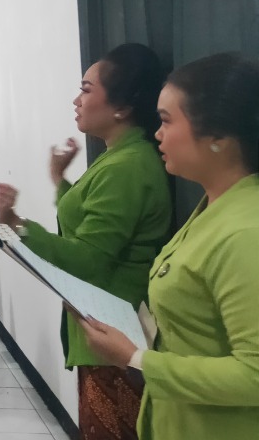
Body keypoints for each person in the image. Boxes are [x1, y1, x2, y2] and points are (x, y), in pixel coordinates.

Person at [74, 53, 259, 439]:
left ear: (218, 137)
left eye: (167, 121)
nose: (157, 134)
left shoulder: (246, 232)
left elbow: (254, 374)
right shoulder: (214, 207)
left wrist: (135, 359)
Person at [0, 43, 171, 439]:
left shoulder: (127, 166)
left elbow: (88, 258)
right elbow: (89, 225)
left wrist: (18, 224)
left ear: (121, 107)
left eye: (86, 90)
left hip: (115, 332)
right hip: (103, 328)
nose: (77, 100)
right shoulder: (118, 157)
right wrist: (60, 180)